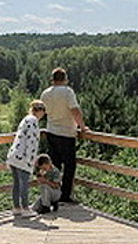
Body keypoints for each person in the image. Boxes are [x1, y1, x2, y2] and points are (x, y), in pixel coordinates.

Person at [40, 67, 89, 206]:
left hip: (51, 132)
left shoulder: (45, 93)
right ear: (65, 79)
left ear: (52, 79)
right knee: (70, 166)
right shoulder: (67, 92)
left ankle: (52, 194)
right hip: (66, 133)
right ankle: (65, 195)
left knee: (54, 165)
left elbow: (44, 113)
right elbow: (75, 110)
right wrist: (82, 127)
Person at [6, 100, 46, 217]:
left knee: (16, 184)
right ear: (40, 111)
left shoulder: (26, 119)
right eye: (44, 111)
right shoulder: (33, 121)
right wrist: (30, 160)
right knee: (24, 184)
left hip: (14, 156)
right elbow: (31, 142)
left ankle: (16, 207)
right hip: (23, 157)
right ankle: (25, 209)